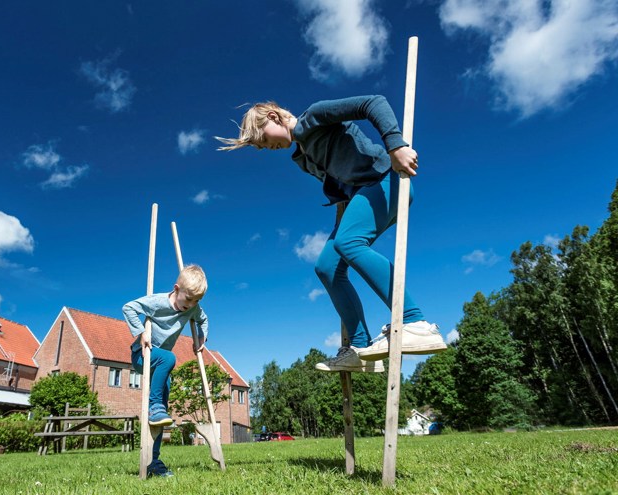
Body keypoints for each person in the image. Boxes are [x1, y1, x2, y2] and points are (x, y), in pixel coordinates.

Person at [217, 95, 446, 372]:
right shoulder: (301, 157)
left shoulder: (314, 116)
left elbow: (373, 103)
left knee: (349, 242)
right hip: (362, 195)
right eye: (263, 147)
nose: (269, 148)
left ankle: (414, 322)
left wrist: (395, 145)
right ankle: (359, 348)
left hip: (386, 179)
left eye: (264, 140)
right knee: (326, 267)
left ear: (274, 117)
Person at [123, 264, 209, 478]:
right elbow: (129, 307)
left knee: (160, 414)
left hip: (161, 365)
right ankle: (155, 405)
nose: (191, 305)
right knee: (169, 358)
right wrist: (141, 332)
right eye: (188, 299)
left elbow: (203, 320)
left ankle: (153, 460)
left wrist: (201, 336)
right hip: (144, 355)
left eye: (196, 301)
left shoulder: (192, 307)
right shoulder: (157, 302)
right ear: (176, 289)